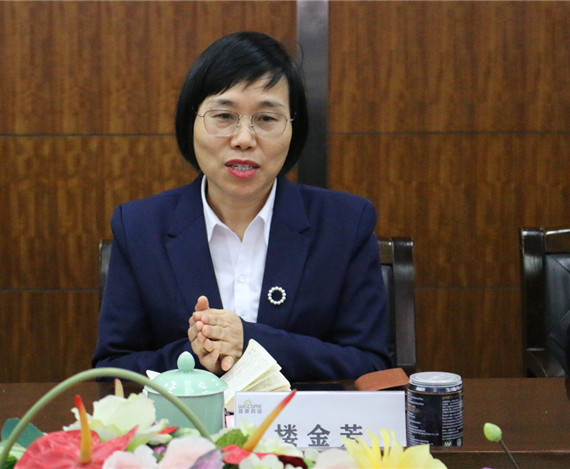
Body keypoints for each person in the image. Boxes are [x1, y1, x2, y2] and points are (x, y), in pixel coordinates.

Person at [92, 31, 390, 382]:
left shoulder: (344, 224)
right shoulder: (139, 227)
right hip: (188, 420)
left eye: (266, 119)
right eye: (223, 116)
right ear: (191, 122)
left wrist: (251, 342)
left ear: (294, 129)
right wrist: (196, 356)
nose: (244, 139)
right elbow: (113, 370)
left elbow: (370, 365)